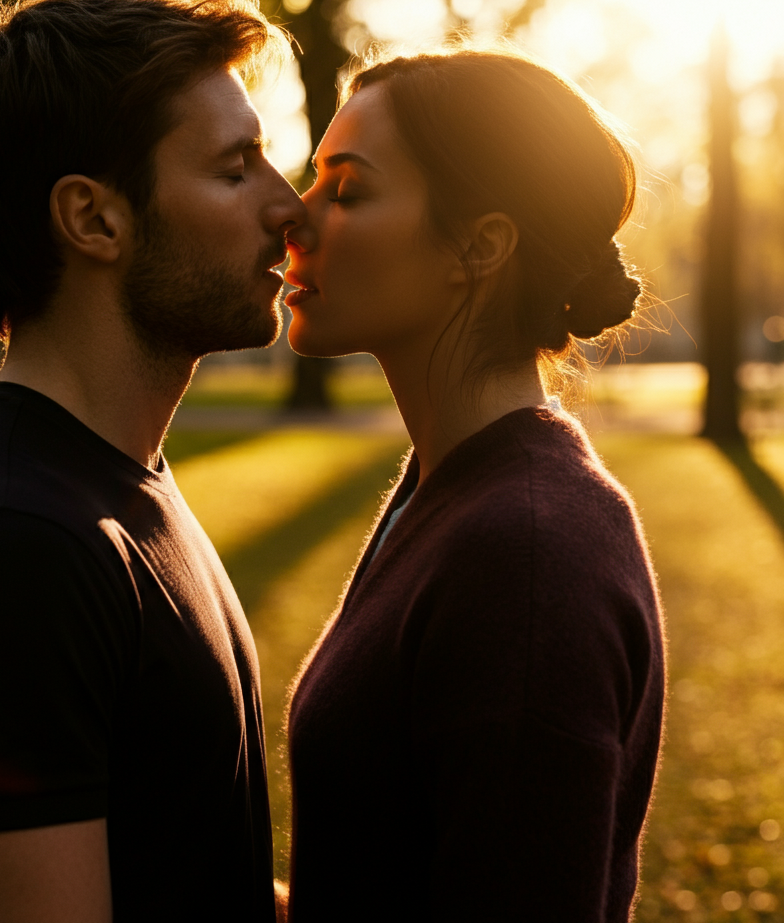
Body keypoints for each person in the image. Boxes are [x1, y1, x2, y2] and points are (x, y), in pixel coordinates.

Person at [0, 0, 305, 922]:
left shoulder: (114, 488)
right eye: (235, 168)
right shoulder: (10, 550)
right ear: (94, 219)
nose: (288, 208)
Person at [283, 48, 665, 921]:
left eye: (345, 191)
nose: (290, 220)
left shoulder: (526, 555)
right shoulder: (455, 489)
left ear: (481, 246)